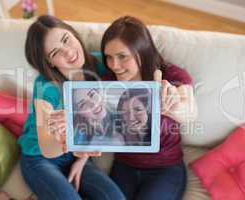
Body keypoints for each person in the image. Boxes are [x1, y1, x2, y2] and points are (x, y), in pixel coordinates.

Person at [17, 15, 125, 200]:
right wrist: (69, 139)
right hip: (39, 159)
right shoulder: (45, 87)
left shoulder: (100, 65)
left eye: (66, 39)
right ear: (50, 62)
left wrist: (82, 159)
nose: (68, 52)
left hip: (78, 155)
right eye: (55, 53)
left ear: (74, 34)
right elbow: (47, 147)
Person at [101, 16, 198, 200]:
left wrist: (173, 106)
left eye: (122, 56)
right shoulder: (108, 82)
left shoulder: (171, 75)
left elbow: (191, 112)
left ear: (142, 51)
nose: (114, 65)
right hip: (124, 166)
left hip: (165, 168)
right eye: (109, 57)